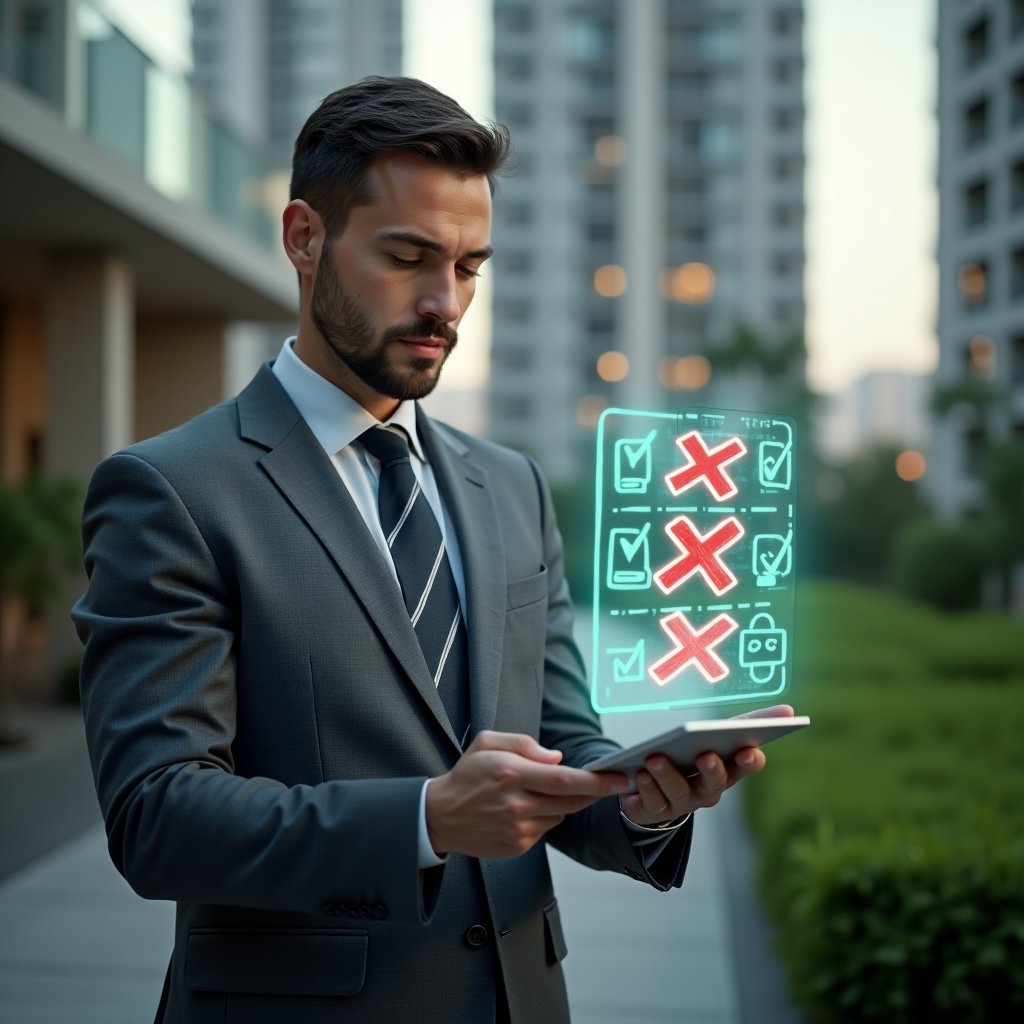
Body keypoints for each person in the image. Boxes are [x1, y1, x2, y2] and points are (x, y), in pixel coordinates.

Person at [73, 76, 785, 1023]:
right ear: (303, 238)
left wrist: (644, 799)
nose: (444, 302)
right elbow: (156, 815)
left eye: (470, 267)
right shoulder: (173, 490)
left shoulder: (512, 488)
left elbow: (564, 742)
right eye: (407, 257)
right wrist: (425, 819)